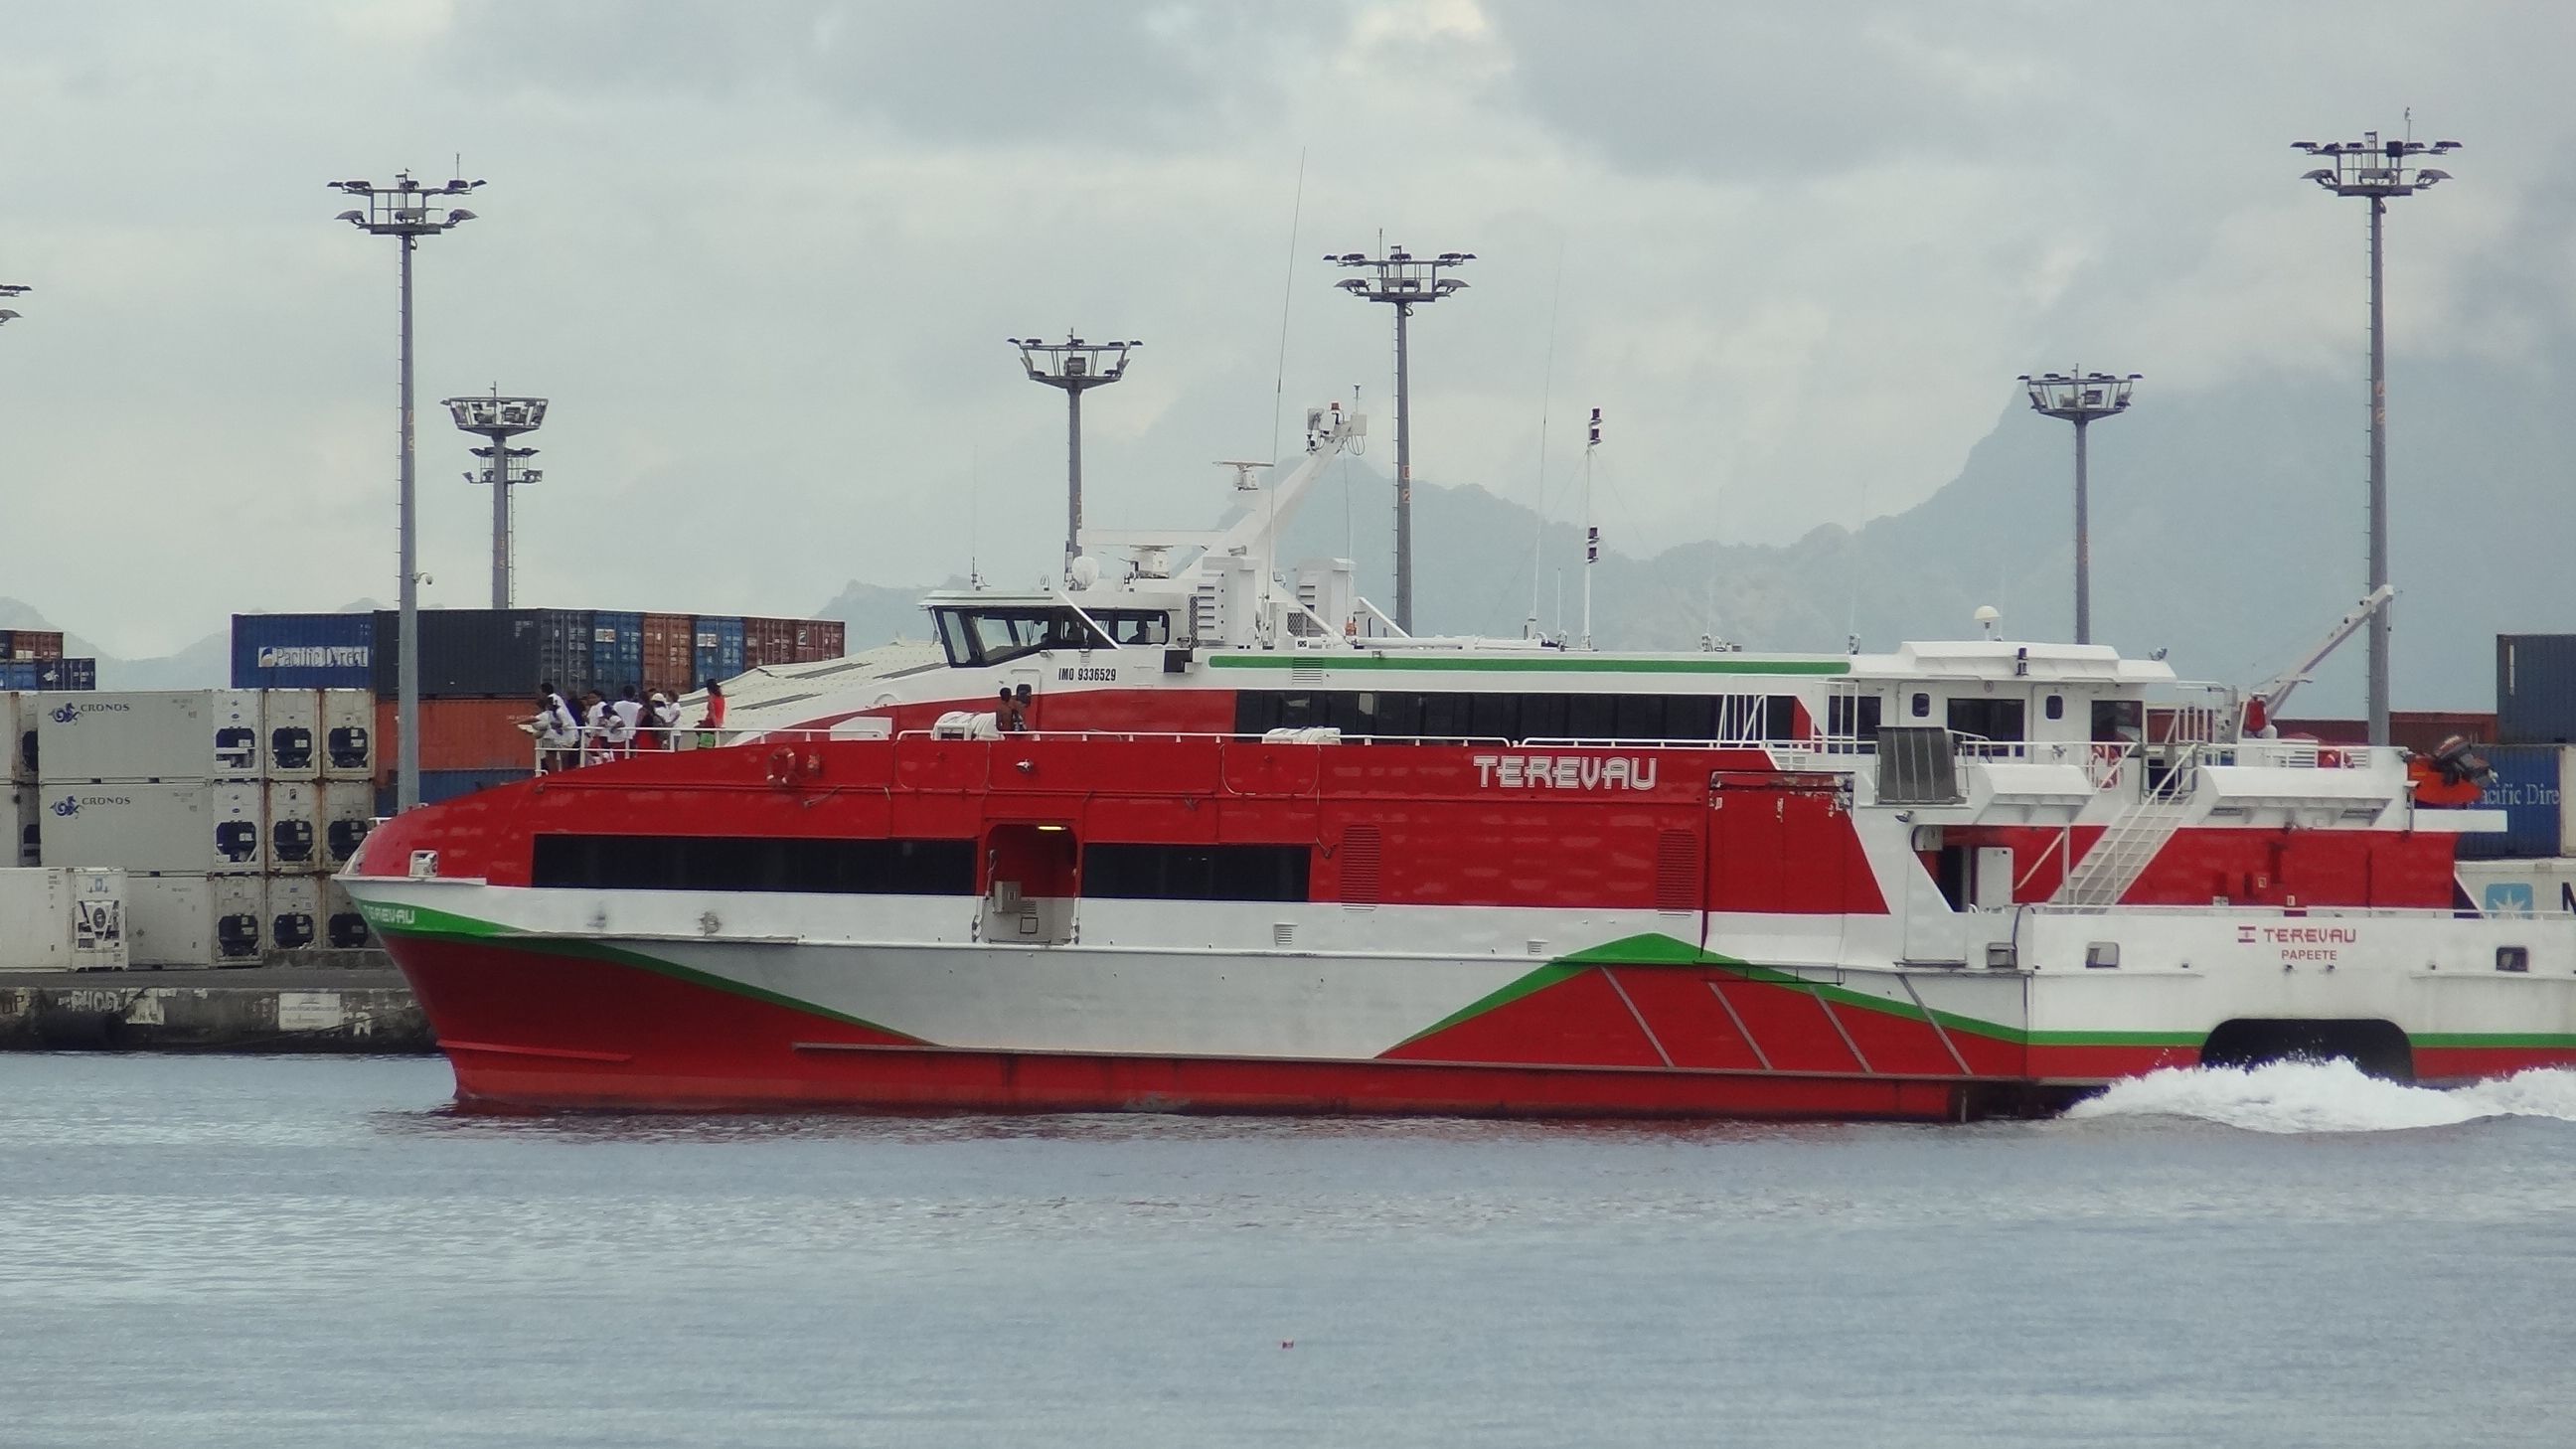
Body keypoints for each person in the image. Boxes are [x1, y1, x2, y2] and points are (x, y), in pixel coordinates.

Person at [533, 683, 579, 774]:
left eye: (539, 692)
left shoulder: (552, 699)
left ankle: (555, 775)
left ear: (544, 692)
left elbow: (554, 715)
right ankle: (561, 774)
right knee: (561, 756)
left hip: (564, 731)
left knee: (552, 755)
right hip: (565, 731)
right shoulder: (556, 698)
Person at [612, 686, 645, 758]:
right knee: (632, 758)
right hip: (633, 734)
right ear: (634, 695)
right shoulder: (638, 706)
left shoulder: (617, 705)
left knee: (618, 758)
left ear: (623, 694)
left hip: (619, 734)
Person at [697, 679, 727, 747]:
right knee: (707, 739)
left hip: (710, 723)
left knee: (704, 743)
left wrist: (715, 724)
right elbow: (720, 711)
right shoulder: (721, 698)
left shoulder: (711, 698)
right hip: (718, 721)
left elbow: (712, 712)